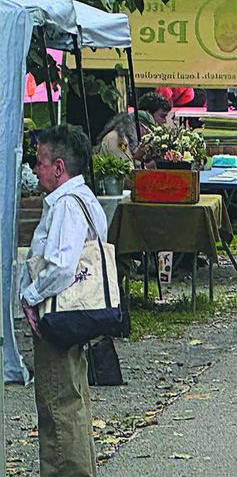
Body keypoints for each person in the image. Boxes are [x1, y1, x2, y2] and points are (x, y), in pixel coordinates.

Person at [20, 125, 107, 477]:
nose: (35, 169)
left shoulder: (67, 207)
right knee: (72, 400)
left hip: (58, 316)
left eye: (40, 162)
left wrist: (30, 295)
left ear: (58, 167)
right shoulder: (82, 199)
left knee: (58, 405)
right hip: (74, 316)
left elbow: (59, 267)